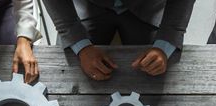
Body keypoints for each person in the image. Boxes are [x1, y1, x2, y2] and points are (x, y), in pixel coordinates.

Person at [42, 0, 196, 80]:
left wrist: (165, 44)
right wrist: (79, 44)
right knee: (66, 72)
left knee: (158, 75)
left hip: (149, 6)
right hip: (87, 5)